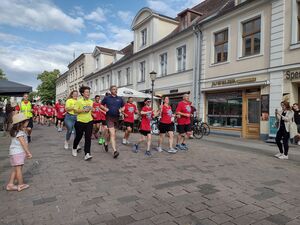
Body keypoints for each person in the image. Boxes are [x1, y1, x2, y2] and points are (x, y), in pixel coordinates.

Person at [6, 113, 32, 192]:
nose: (28, 122)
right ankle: (21, 184)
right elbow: (23, 144)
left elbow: (26, 131)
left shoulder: (18, 131)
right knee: (19, 169)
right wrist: (28, 152)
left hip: (15, 153)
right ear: (21, 123)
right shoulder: (20, 133)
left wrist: (26, 129)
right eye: (26, 121)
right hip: (18, 152)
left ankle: (10, 185)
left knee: (16, 169)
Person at [101, 85, 124, 159]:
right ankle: (115, 151)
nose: (115, 90)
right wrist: (105, 109)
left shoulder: (120, 99)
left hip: (117, 118)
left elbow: (124, 106)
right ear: (111, 90)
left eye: (116, 89)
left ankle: (106, 142)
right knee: (113, 134)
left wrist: (121, 110)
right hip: (109, 117)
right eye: (114, 89)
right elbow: (101, 105)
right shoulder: (107, 98)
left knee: (111, 134)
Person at [72, 86, 93, 160]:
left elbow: (91, 110)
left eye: (89, 92)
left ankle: (87, 153)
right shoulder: (79, 101)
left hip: (89, 121)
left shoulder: (91, 101)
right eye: (87, 92)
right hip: (80, 121)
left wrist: (92, 111)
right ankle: (74, 148)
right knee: (78, 137)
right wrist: (83, 110)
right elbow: (75, 111)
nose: (88, 93)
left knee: (88, 138)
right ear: (82, 93)